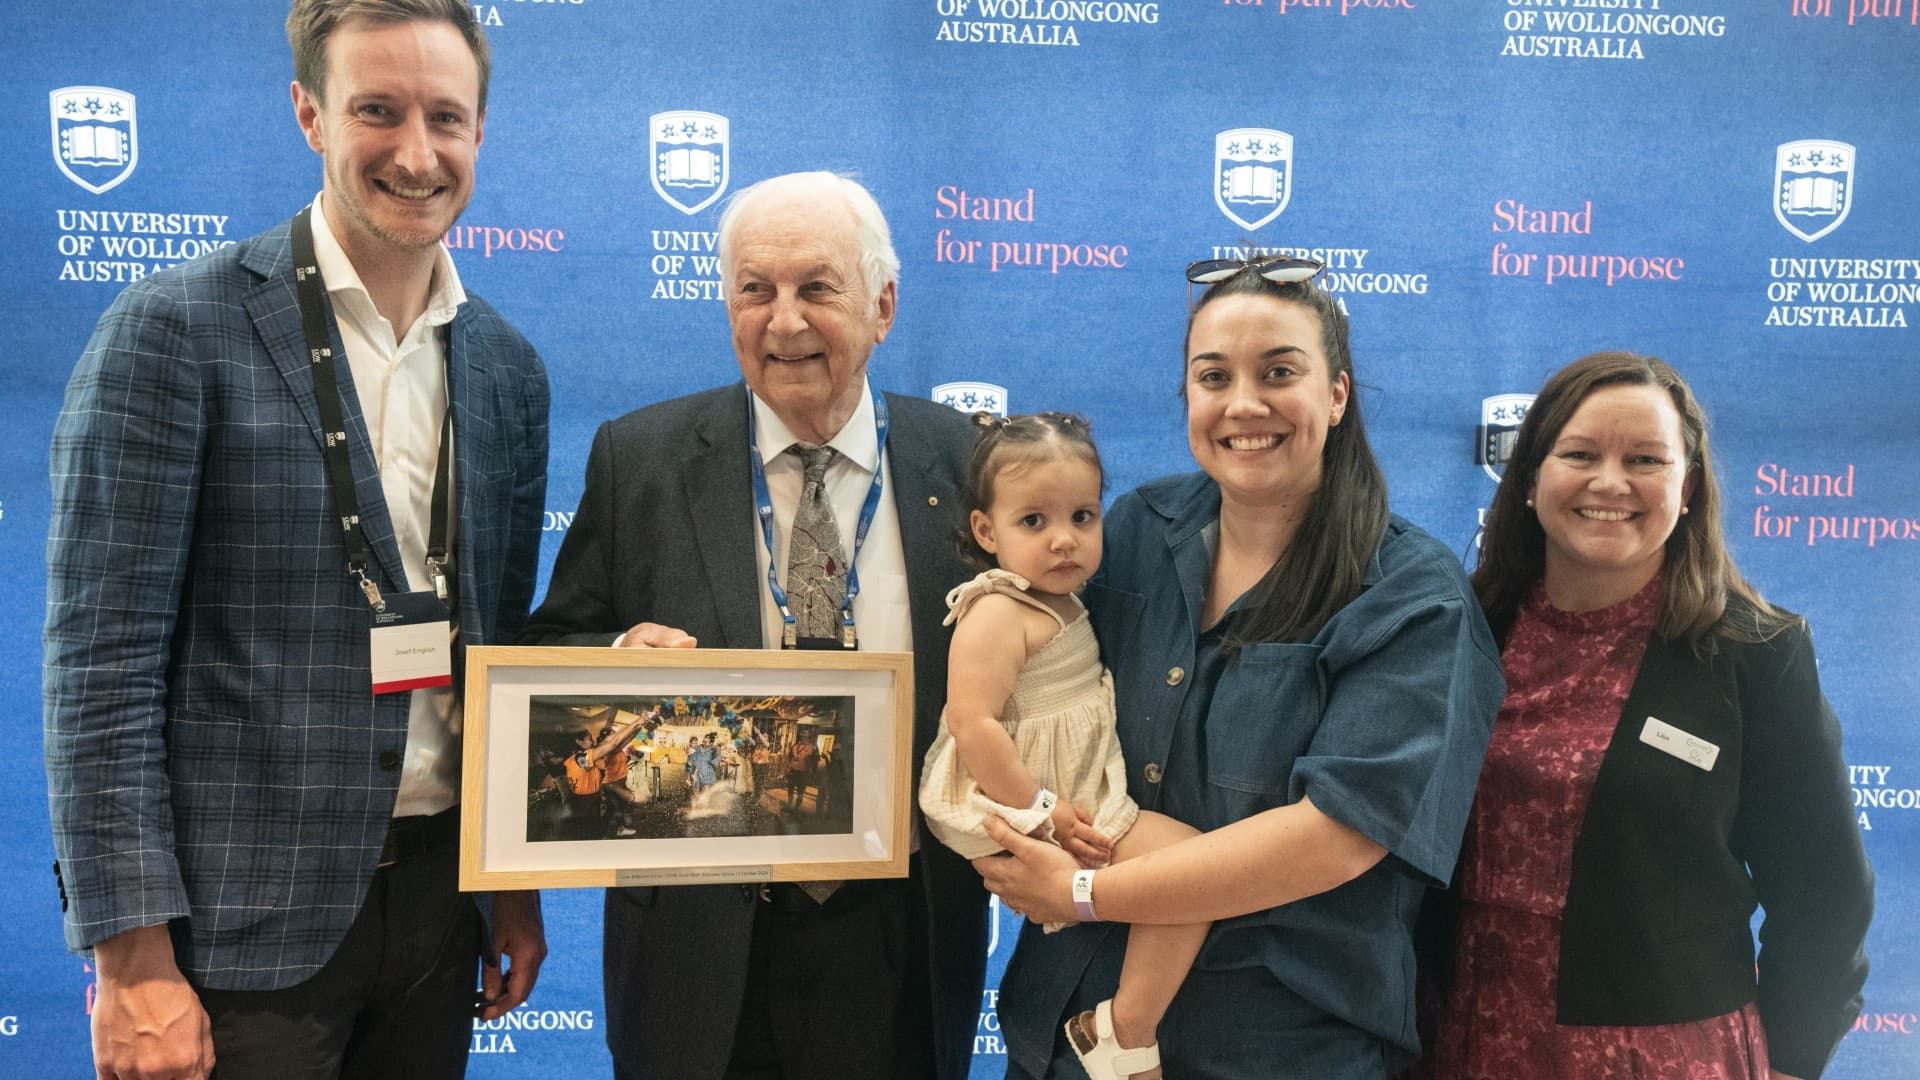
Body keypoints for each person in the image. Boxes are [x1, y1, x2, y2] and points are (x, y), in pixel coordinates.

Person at [42, 2, 549, 1078]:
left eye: (446, 118)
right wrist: (130, 958)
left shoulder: (508, 368)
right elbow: (100, 668)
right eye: (379, 110)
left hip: (437, 909)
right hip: (232, 930)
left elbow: (492, 655)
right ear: (309, 113)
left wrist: (511, 881)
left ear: (480, 133)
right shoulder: (172, 332)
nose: (417, 154)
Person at [974, 254, 1505, 1079]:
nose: (1244, 404)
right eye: (1213, 375)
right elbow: (1034, 690)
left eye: (1280, 372)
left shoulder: (1413, 597)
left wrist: (1082, 894)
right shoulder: (1135, 531)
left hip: (1274, 1045)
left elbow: (1335, 838)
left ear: (1337, 393)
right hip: (1066, 1025)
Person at [518, 170, 988, 1079]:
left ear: (883, 305)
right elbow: (549, 654)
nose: (784, 321)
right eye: (754, 291)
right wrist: (617, 660)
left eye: (817, 287)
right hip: (698, 939)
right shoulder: (640, 458)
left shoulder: (966, 461)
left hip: (904, 928)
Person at [1419, 352, 1873, 1080]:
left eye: (1645, 459)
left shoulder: (1755, 655)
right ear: (1530, 480)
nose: (1610, 482)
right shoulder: (1460, 629)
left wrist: (1791, 1061)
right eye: (1579, 454)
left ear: (1686, 487)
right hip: (1454, 1037)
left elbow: (1826, 894)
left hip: (1659, 1056)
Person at [919, 412, 1208, 1079]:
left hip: (1071, 784)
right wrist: (1043, 811)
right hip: (1035, 795)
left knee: (1187, 876)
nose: (1063, 540)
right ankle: (1123, 1029)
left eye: (1082, 516)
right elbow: (973, 724)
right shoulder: (995, 610)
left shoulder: (1067, 601)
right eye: (1033, 522)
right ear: (986, 531)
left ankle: (1124, 1022)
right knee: (1192, 871)